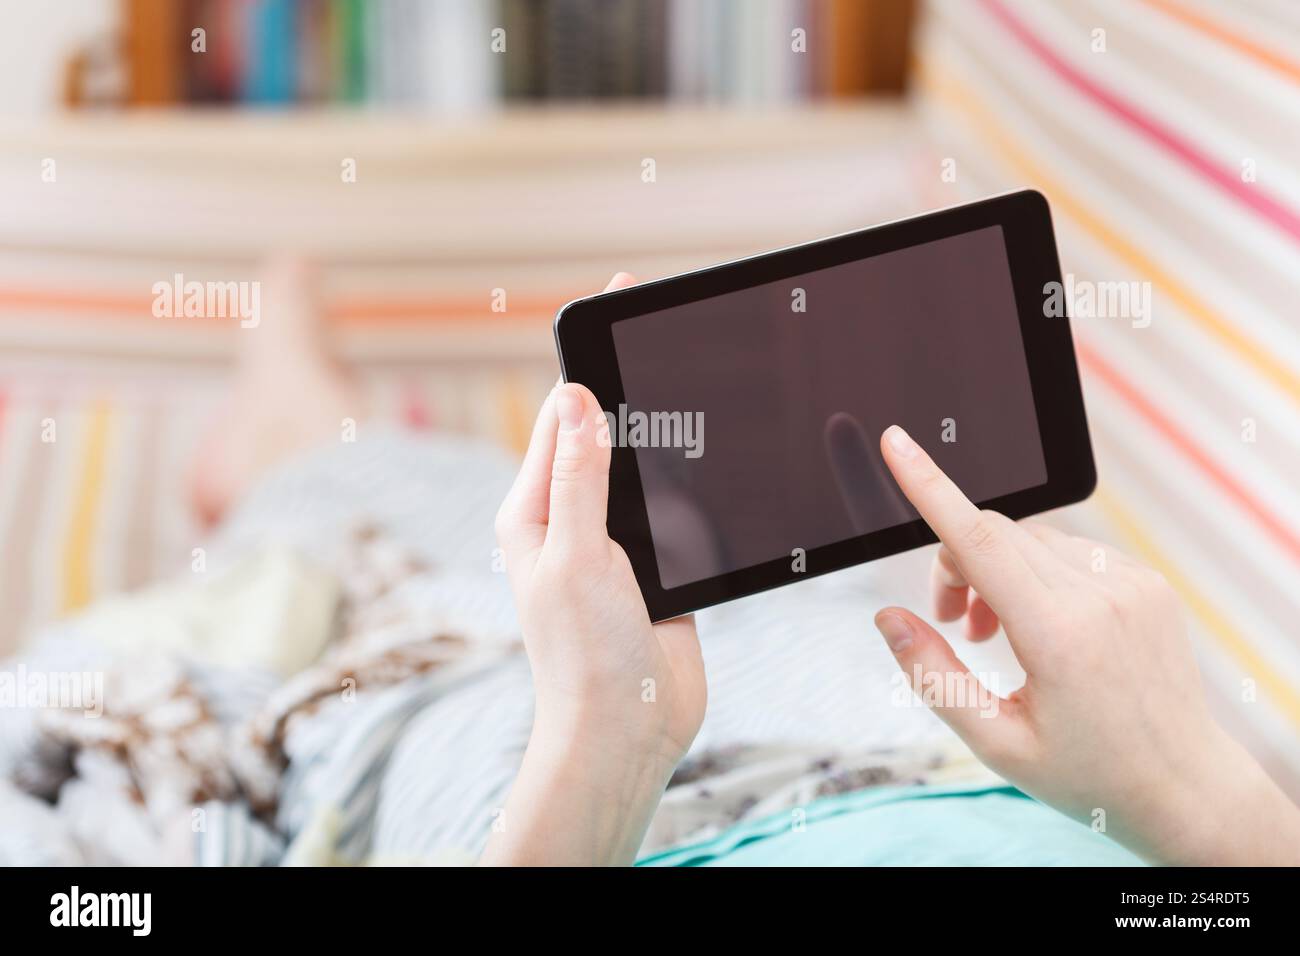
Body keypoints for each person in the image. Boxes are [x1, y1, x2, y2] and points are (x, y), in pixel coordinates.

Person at [482, 274, 1300, 866]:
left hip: (651, 812)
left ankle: (679, 536)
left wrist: (606, 742)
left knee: (452, 620)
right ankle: (682, 534)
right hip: (957, 775)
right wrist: (1202, 804)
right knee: (798, 586)